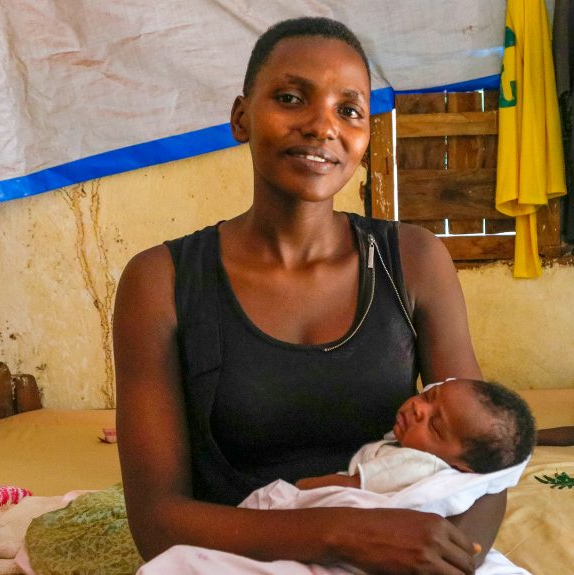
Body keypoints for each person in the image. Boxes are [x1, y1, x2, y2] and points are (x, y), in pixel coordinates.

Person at [113, 16, 500, 575]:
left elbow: (488, 464)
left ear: (367, 135)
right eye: (292, 98)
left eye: (350, 110)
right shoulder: (161, 281)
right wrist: (344, 535)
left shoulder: (413, 260)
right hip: (234, 560)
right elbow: (157, 521)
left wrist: (451, 561)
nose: (323, 127)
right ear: (241, 118)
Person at [295, 378, 536, 493]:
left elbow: (349, 485)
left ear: (462, 466)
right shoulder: (413, 444)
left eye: (435, 426)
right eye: (428, 396)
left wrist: (300, 487)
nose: (419, 408)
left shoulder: (415, 465)